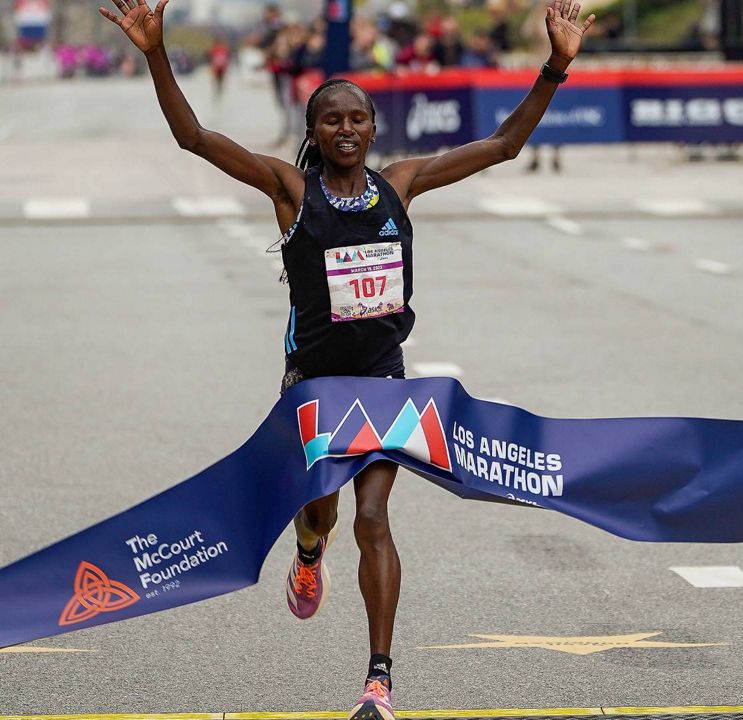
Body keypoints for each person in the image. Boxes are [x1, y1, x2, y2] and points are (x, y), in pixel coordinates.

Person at [98, 1, 595, 718]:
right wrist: (154, 52)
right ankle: (307, 553)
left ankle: (379, 680)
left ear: (372, 127)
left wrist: (556, 66)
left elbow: (502, 145)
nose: (346, 130)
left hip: (382, 380)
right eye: (331, 120)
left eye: (357, 118)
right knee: (322, 513)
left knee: (374, 521)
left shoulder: (402, 183)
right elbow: (194, 138)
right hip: (314, 386)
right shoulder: (290, 191)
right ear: (313, 132)